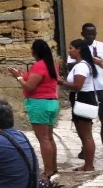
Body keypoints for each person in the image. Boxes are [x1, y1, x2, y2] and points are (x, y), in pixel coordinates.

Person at [8, 39, 59, 178]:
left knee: (43, 139)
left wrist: (18, 77)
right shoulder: (51, 65)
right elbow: (40, 80)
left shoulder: (39, 66)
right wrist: (22, 74)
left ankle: (48, 172)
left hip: (39, 104)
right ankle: (53, 168)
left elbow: (29, 86)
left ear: (35, 52)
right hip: (52, 103)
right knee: (49, 137)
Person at [59, 40, 101, 171]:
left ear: (79, 50)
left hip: (84, 99)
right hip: (81, 99)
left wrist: (62, 82)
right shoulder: (80, 65)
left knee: (86, 134)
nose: (69, 51)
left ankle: (89, 165)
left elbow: (78, 86)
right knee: (83, 134)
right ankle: (87, 164)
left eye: (71, 48)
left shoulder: (82, 66)